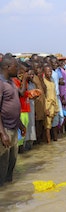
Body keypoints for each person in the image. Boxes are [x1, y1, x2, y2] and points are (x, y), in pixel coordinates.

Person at [0, 55, 26, 186]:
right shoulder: (1, 84)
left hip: (14, 127)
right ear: (7, 67)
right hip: (5, 129)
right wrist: (2, 133)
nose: (18, 69)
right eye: (16, 66)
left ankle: (9, 191)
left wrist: (20, 124)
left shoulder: (11, 82)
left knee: (12, 161)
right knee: (3, 163)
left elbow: (15, 103)